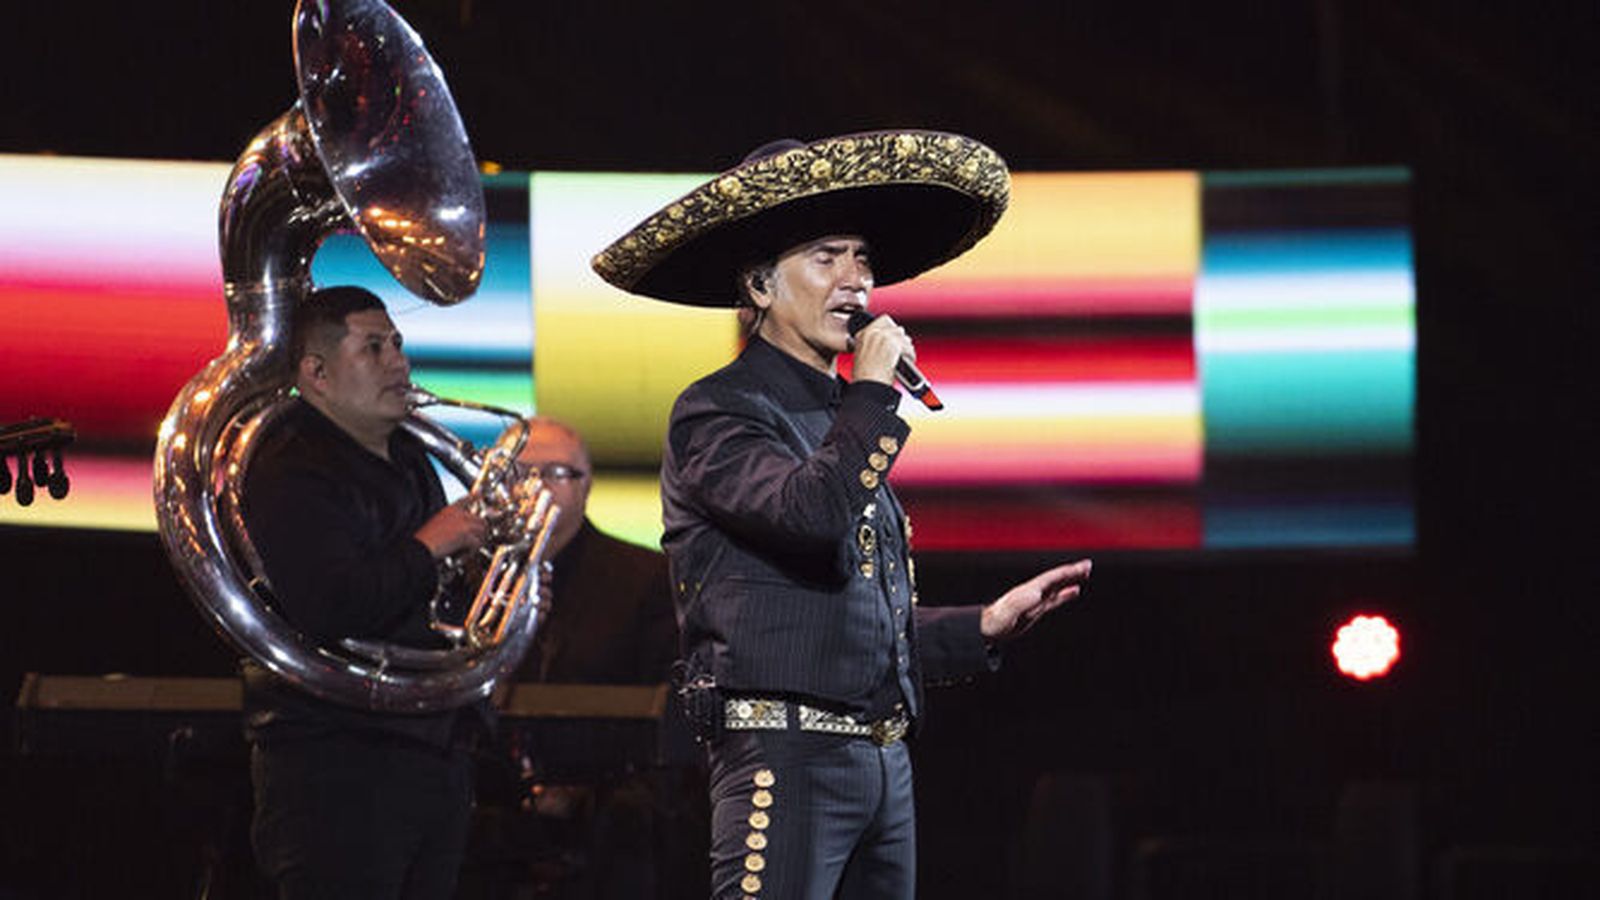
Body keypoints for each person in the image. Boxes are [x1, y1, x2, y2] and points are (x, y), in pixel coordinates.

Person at [590, 131, 1094, 899]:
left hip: (881, 761)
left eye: (862, 259)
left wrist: (980, 625)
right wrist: (873, 395)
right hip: (784, 758)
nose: (855, 281)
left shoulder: (839, 419)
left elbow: (842, 611)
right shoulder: (719, 411)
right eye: (826, 257)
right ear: (760, 286)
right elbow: (810, 518)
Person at [240, 285, 490, 899]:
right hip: (338, 769)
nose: (398, 362)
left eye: (398, 344)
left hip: (427, 751)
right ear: (316, 374)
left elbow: (433, 599)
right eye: (373, 348)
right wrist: (433, 544)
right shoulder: (290, 466)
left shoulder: (408, 456)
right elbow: (329, 605)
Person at [512, 417, 677, 686]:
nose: (534, 487)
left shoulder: (649, 578)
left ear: (586, 485)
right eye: (518, 471)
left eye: (555, 473)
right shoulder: (463, 574)